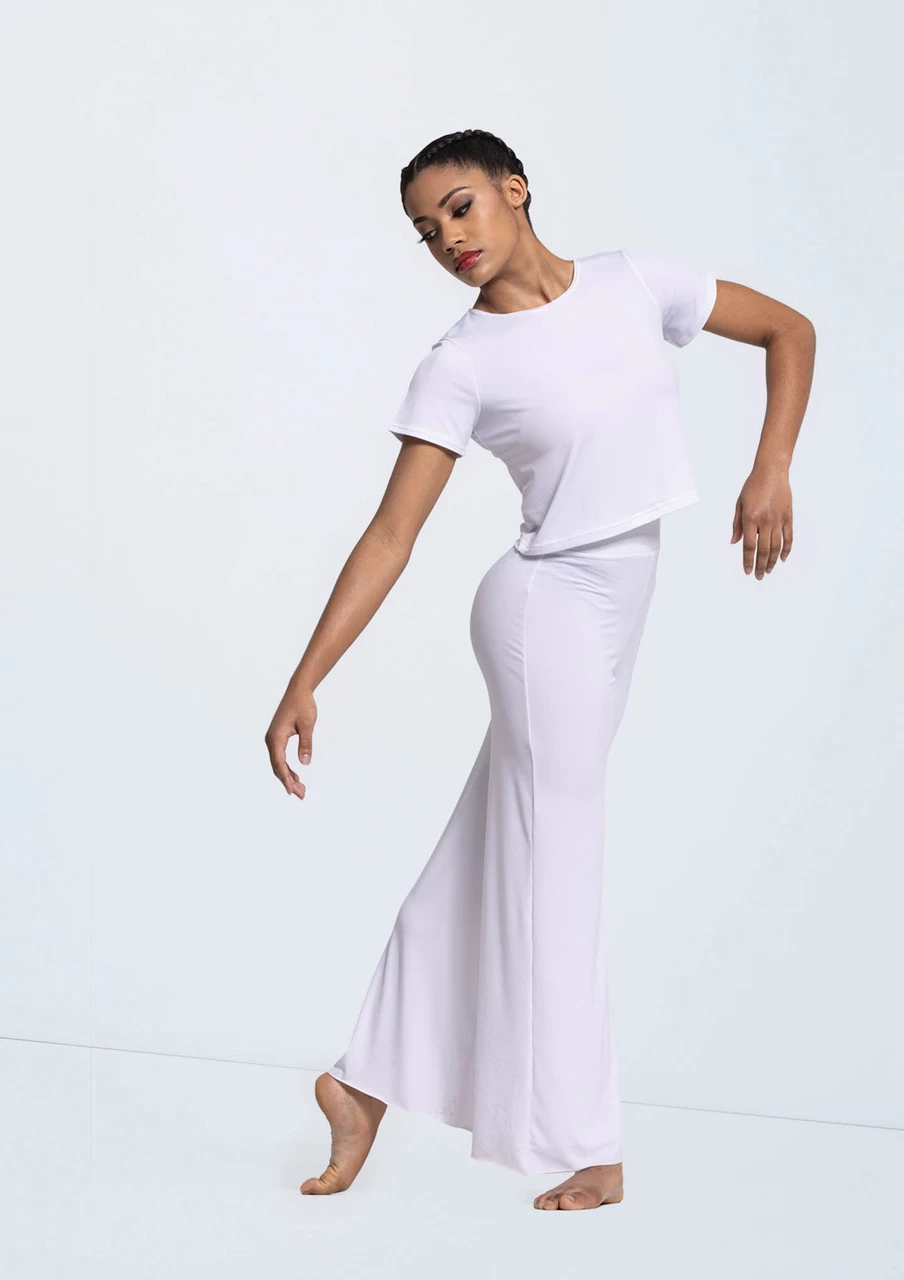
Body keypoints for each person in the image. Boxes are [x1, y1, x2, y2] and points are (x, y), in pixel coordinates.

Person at [264, 129, 815, 1211]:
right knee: (559, 863)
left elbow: (788, 329)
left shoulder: (632, 282)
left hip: (616, 604)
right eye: (427, 230)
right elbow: (391, 535)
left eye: (460, 207)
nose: (448, 239)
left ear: (514, 189)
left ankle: (361, 1082)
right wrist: (305, 677)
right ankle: (588, 1144)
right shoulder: (460, 362)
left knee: (492, 846)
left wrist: (772, 467)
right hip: (543, 613)